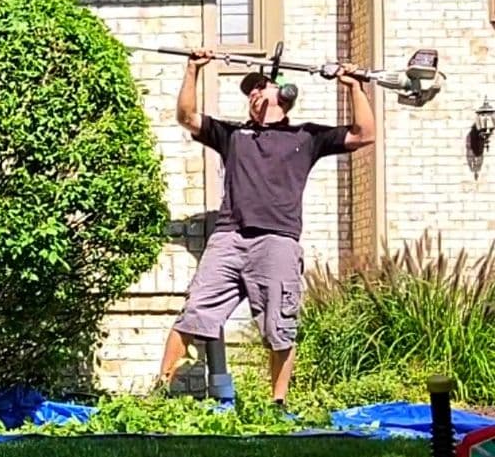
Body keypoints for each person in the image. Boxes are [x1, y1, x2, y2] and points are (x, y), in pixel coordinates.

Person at [155, 48, 375, 407]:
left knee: (279, 327)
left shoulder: (307, 136)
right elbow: (186, 116)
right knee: (194, 313)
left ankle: (277, 405)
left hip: (278, 242)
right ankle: (159, 394)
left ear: (284, 94)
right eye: (250, 90)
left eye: (260, 87)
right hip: (228, 239)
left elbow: (364, 134)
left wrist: (353, 86)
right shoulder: (233, 134)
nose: (253, 93)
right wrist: (193, 69)